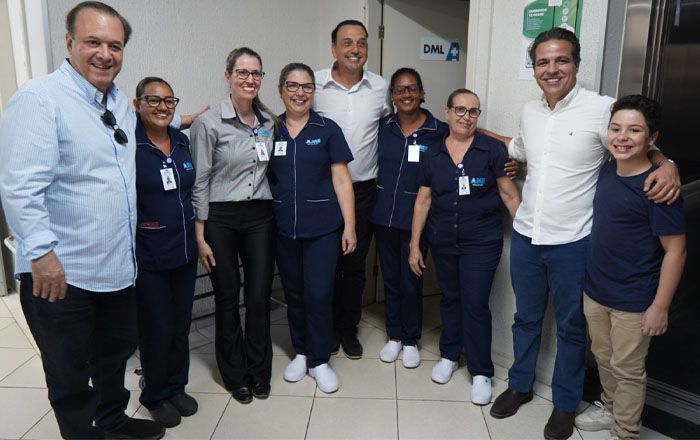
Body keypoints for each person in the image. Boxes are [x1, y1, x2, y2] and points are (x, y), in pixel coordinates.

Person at [489, 28, 681, 440]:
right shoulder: (529, 111)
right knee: (526, 318)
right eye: (543, 62)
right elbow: (517, 148)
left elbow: (636, 138)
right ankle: (520, 385)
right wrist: (472, 132)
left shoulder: (601, 109)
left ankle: (564, 402)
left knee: (572, 328)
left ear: (576, 64)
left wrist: (668, 165)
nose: (552, 69)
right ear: (534, 68)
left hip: (574, 242)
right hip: (527, 236)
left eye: (561, 60)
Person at [0, 2, 166, 438]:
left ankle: (112, 420)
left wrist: (185, 119)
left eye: (115, 46)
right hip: (60, 273)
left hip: (115, 268)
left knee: (114, 355)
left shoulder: (120, 103)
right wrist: (41, 255)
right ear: (70, 42)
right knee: (69, 373)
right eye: (94, 42)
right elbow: (19, 187)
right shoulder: (40, 99)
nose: (105, 54)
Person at [574, 95, 686, 440]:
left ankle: (625, 431)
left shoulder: (658, 188)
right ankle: (610, 408)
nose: (622, 137)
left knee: (628, 369)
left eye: (634, 130)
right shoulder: (607, 171)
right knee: (603, 358)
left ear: (652, 138)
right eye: (616, 128)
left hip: (634, 299)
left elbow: (676, 251)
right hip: (596, 291)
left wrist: (660, 306)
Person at [408, 89, 520, 405]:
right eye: (459, 109)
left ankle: (481, 371)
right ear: (446, 112)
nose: (466, 116)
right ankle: (449, 355)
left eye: (473, 111)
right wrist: (415, 245)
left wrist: (528, 235)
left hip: (481, 242)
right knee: (450, 299)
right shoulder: (433, 153)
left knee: (474, 304)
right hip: (443, 240)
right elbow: (423, 201)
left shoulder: (491, 150)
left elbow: (509, 195)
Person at [190, 47, 276, 404]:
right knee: (227, 297)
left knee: (258, 298)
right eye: (242, 72)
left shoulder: (269, 122)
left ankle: (259, 371)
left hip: (260, 217)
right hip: (220, 218)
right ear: (228, 76)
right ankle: (235, 374)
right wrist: (200, 233)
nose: (249, 79)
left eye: (256, 73)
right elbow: (200, 180)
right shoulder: (209, 123)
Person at [269, 62, 356, 393]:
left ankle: (319, 360)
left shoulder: (327, 129)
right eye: (292, 86)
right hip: (283, 228)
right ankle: (302, 352)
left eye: (306, 86)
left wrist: (350, 226)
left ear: (313, 92)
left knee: (318, 295)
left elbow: (342, 180)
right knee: (294, 295)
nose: (299, 93)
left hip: (323, 229)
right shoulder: (270, 129)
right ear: (281, 90)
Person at [314, 19, 392, 359]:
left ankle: (348, 327)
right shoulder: (314, 84)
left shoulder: (380, 87)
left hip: (363, 191)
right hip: (322, 192)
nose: (355, 49)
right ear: (334, 48)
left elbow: (392, 127)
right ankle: (327, 327)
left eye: (361, 42)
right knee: (325, 262)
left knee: (355, 263)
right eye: (347, 43)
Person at [369, 67, 447, 369]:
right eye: (400, 89)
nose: (406, 94)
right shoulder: (383, 127)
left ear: (422, 93)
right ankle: (394, 335)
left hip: (418, 219)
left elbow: (469, 138)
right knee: (391, 279)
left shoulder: (438, 130)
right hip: (383, 216)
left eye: (412, 88)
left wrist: (506, 158)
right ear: (392, 95)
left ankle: (411, 339)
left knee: (411, 280)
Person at [132, 77, 198, 428]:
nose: (162, 107)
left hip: (184, 250)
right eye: (153, 100)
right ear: (137, 105)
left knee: (180, 324)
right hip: (150, 253)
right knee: (156, 327)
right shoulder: (130, 145)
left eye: (168, 101)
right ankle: (155, 394)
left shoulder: (182, 141)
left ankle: (175, 386)